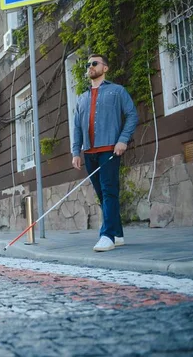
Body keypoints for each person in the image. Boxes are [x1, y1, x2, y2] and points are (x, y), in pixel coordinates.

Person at [71, 54, 138, 252]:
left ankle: (106, 235)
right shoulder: (82, 98)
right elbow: (76, 127)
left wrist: (122, 140)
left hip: (109, 150)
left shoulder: (117, 91)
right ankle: (117, 233)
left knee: (109, 191)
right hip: (89, 152)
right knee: (103, 194)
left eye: (94, 63)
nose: (90, 66)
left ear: (105, 68)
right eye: (88, 64)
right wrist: (76, 152)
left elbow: (132, 114)